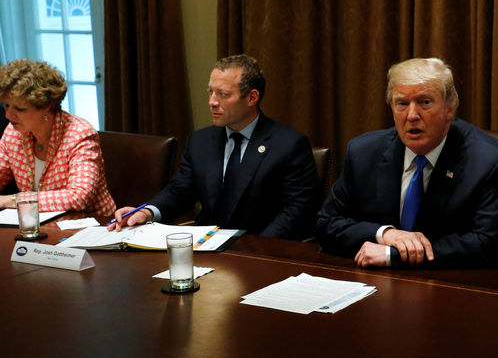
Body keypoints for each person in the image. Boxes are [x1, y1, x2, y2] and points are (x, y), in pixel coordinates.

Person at [316, 57, 498, 268]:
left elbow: (485, 244)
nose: (411, 115)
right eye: (402, 103)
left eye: (425, 102)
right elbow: (326, 225)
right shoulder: (363, 152)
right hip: (374, 285)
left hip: (452, 285)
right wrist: (385, 234)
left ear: (449, 108)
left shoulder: (487, 161)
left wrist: (393, 255)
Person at [109, 54, 318, 239]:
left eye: (223, 94)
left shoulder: (289, 145)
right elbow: (180, 191)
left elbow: (296, 212)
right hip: (206, 249)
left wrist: (254, 249)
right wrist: (147, 212)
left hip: (261, 253)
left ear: (252, 97)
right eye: (210, 92)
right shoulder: (200, 141)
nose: (212, 102)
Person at [0, 59, 115, 213]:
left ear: (46, 106)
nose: (8, 115)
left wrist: (13, 199)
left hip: (90, 225)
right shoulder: (13, 132)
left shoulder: (79, 134)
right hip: (38, 226)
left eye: (20, 109)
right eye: (7, 106)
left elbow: (78, 197)